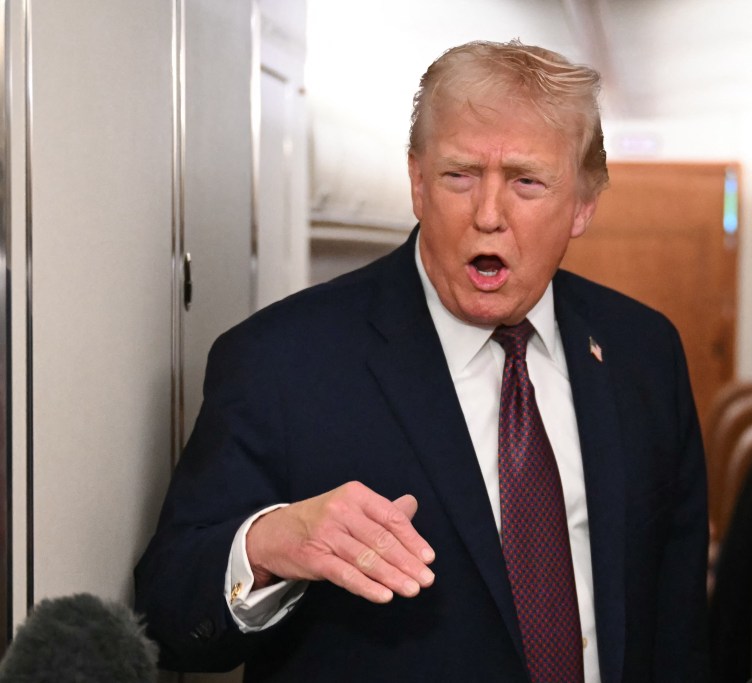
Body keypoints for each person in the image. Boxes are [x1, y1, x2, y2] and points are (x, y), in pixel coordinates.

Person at [134, 40, 709, 682]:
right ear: (416, 180)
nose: (488, 215)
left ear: (583, 204)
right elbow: (167, 614)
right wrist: (267, 545)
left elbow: (677, 625)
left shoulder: (644, 354)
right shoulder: (280, 361)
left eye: (527, 182)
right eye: (459, 175)